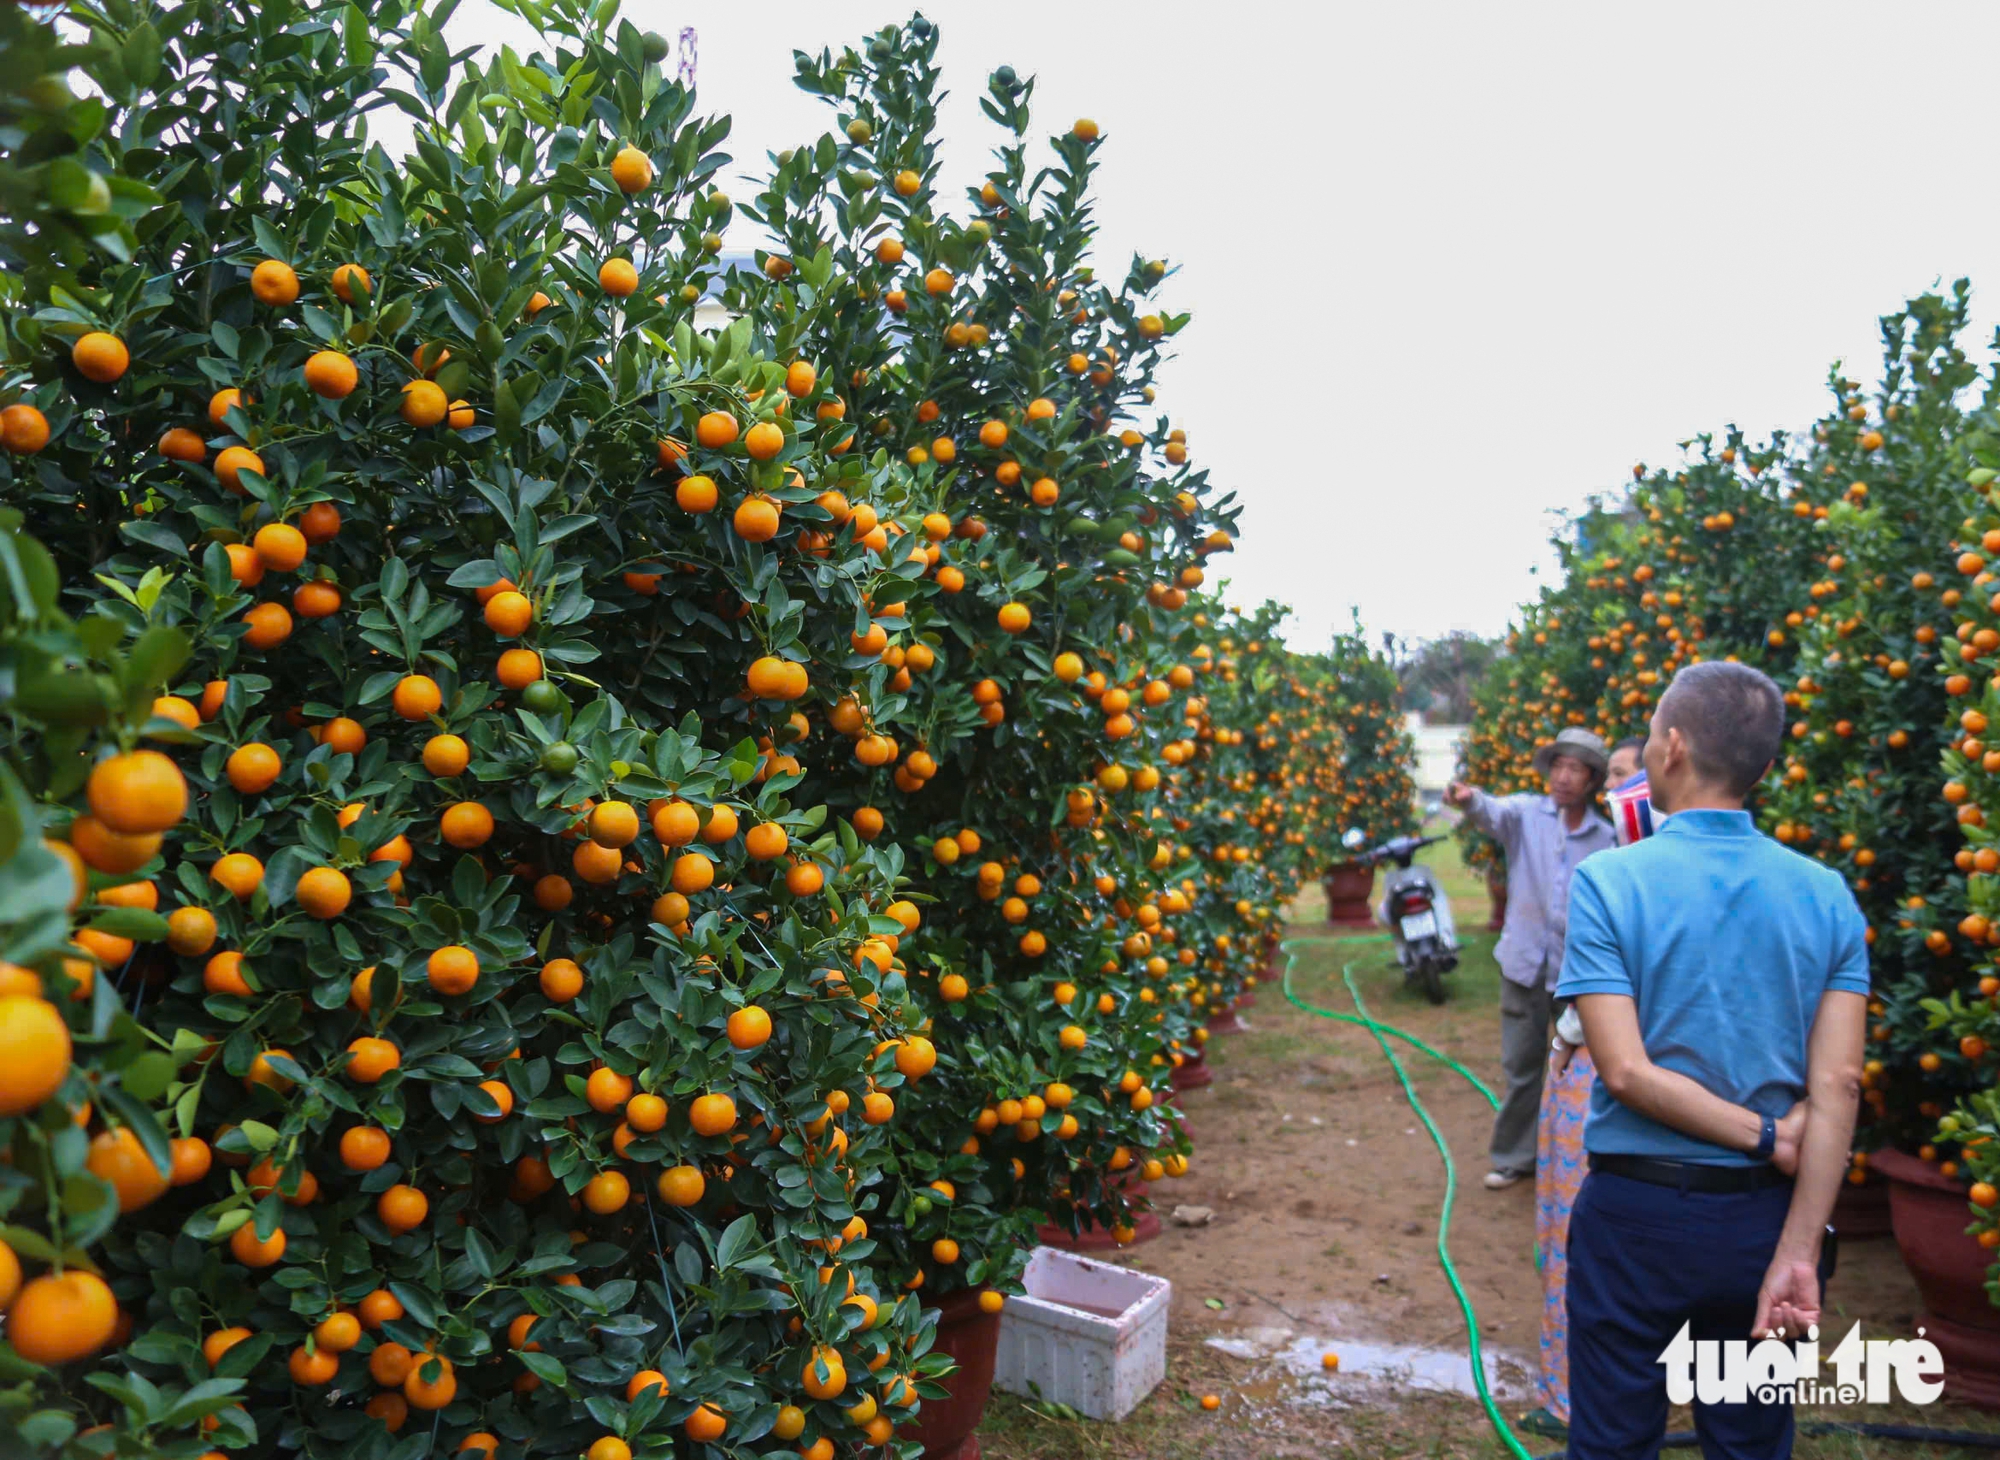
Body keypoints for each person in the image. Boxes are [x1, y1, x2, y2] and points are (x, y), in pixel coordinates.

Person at [1556, 662, 1867, 1460]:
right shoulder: (1826, 893)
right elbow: (1837, 1083)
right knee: (1751, 1442)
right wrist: (1797, 1250)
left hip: (1635, 1217)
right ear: (1764, 768)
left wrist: (1765, 1136)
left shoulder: (1607, 881)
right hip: (1766, 1221)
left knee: (1614, 1441)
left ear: (1672, 746)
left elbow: (1622, 1070)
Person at [1522, 734, 1651, 1438]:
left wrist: (1570, 1038)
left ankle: (1573, 1395)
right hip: (1607, 1073)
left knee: (1581, 1230)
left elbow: (1599, 996)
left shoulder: (1624, 873)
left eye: (1630, 776)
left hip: (1601, 1075)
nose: (1615, 791)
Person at [1445, 727, 1616, 1190]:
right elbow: (1488, 809)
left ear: (1593, 780)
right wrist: (1467, 798)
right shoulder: (1524, 815)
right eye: (1558, 766)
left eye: (1575, 769)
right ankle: (1514, 1156)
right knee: (1522, 1067)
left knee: (1583, 1069)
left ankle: (1580, 1157)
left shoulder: (1607, 837)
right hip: (1524, 964)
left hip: (1577, 974)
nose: (1562, 777)